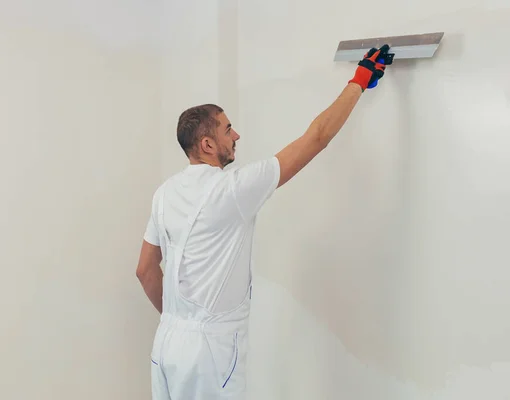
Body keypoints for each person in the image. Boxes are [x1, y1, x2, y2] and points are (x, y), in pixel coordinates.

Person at [135, 44, 392, 400]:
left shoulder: (165, 193)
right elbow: (316, 138)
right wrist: (358, 81)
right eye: (228, 130)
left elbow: (146, 270)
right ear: (208, 144)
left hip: (167, 344)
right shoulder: (232, 190)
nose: (236, 136)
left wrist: (181, 322)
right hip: (209, 352)